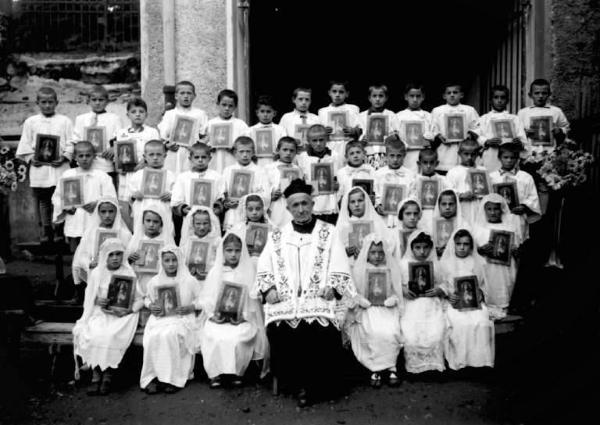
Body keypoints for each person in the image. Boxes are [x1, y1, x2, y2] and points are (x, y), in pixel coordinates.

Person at [255, 178, 356, 407]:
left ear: (312, 204)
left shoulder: (328, 232)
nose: (300, 209)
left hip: (318, 299)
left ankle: (318, 387)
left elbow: (340, 263)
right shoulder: (278, 235)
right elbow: (264, 265)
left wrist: (333, 285)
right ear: (288, 209)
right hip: (286, 301)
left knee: (318, 331)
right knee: (284, 331)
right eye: (295, 206)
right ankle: (296, 384)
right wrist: (269, 289)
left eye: (304, 204)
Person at [73, 238, 143, 395]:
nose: (116, 258)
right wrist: (98, 300)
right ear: (105, 256)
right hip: (101, 312)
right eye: (112, 255)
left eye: (119, 254)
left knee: (111, 335)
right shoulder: (97, 273)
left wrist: (130, 310)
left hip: (122, 316)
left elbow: (140, 299)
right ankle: (96, 374)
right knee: (95, 334)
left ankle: (107, 376)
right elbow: (89, 298)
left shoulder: (127, 272)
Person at [199, 231, 267, 388]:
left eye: (237, 250)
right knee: (214, 336)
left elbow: (252, 301)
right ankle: (215, 373)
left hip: (241, 318)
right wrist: (213, 315)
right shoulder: (216, 272)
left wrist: (243, 316)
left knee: (236, 337)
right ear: (222, 252)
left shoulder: (248, 272)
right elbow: (207, 298)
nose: (233, 254)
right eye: (229, 250)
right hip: (219, 317)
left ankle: (237, 372)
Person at [141, 245, 202, 394]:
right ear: (161, 262)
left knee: (170, 335)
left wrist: (191, 307)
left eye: (174, 260)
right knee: (153, 337)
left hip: (182, 317)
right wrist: (151, 305)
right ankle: (154, 376)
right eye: (167, 260)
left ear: (179, 261)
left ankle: (173, 378)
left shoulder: (189, 280)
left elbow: (203, 299)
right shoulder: (155, 281)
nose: (171, 264)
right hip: (161, 317)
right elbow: (146, 298)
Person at [345, 235, 403, 388]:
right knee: (372, 332)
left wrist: (393, 299)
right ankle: (375, 369)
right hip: (367, 309)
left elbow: (396, 291)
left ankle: (392, 366)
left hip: (386, 309)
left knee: (390, 331)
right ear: (366, 253)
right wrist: (360, 300)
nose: (377, 256)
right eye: (373, 253)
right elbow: (352, 292)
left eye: (380, 253)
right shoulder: (359, 270)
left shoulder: (390, 269)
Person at [16, 86, 73, 242]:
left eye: (50, 102)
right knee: (44, 201)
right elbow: (25, 144)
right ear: (38, 103)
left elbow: (71, 143)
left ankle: (59, 230)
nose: (47, 105)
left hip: (59, 167)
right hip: (39, 168)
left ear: (57, 102)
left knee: (60, 199)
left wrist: (65, 157)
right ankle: (46, 230)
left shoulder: (65, 121)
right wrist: (30, 158)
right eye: (44, 102)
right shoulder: (31, 122)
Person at [440, 228, 495, 370]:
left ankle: (479, 362)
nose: (462, 247)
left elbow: (484, 285)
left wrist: (481, 294)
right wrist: (448, 295)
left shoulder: (479, 262)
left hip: (473, 302)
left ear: (471, 246)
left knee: (481, 321)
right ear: (453, 245)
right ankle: (461, 362)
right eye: (459, 244)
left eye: (466, 244)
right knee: (459, 323)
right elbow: (442, 284)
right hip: (455, 303)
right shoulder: (445, 263)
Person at [52, 141, 116, 252]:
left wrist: (98, 203)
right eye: (81, 156)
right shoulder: (68, 175)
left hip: (95, 220)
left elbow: (111, 197)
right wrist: (64, 207)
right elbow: (57, 197)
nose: (84, 159)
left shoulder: (101, 176)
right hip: (75, 220)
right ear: (75, 157)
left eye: (88, 155)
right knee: (77, 253)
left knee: (95, 251)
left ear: (94, 156)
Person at [399, 231, 448, 374]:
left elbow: (445, 283)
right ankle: (415, 366)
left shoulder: (436, 265)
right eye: (418, 247)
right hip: (411, 304)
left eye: (426, 247)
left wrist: (439, 290)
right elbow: (394, 284)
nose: (422, 251)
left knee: (435, 332)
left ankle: (432, 366)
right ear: (411, 248)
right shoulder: (403, 265)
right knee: (411, 334)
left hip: (431, 303)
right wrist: (403, 290)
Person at [473, 194, 522, 320]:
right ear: (484, 210)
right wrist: (480, 249)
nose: (493, 212)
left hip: (505, 269)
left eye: (496, 209)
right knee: (488, 287)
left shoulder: (510, 227)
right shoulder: (478, 229)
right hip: (487, 268)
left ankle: (506, 308)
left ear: (502, 210)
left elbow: (518, 251)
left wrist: (515, 250)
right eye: (489, 209)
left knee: (505, 287)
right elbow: (472, 251)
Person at [114, 97, 160, 229]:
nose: (138, 114)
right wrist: (120, 165)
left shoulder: (152, 132)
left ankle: (143, 232)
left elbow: (156, 149)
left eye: (141, 111)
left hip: (144, 173)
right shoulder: (122, 133)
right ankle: (129, 233)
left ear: (146, 114)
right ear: (127, 114)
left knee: (141, 204)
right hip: (126, 175)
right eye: (134, 111)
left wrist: (144, 163)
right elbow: (119, 154)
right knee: (125, 205)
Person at [72, 197, 132, 290]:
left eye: (111, 211)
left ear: (116, 212)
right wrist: (89, 263)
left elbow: (129, 253)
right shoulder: (91, 232)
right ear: (98, 212)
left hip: (118, 275)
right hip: (97, 274)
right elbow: (82, 254)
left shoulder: (124, 234)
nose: (107, 215)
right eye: (103, 212)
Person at [489, 144, 541, 240]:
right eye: (506, 157)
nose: (509, 160)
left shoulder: (525, 177)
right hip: (498, 218)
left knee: (517, 244)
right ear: (499, 158)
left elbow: (533, 198)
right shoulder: (492, 177)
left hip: (517, 218)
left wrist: (524, 207)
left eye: (512, 158)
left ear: (517, 159)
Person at [72, 85, 123, 176]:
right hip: (85, 163)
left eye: (101, 100)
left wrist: (114, 148)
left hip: (105, 164)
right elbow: (76, 140)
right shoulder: (81, 119)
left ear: (107, 101)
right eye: (94, 100)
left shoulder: (114, 118)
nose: (97, 103)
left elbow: (120, 138)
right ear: (88, 101)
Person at [430, 83, 480, 173]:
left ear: (461, 95)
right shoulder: (437, 111)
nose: (452, 95)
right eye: (449, 93)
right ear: (444, 96)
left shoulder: (469, 110)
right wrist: (438, 135)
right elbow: (432, 128)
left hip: (464, 148)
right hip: (446, 149)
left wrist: (471, 134)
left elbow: (477, 127)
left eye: (455, 92)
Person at [296, 124, 341, 224]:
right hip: (313, 201)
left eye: (321, 140)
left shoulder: (335, 155)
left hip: (330, 201)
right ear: (308, 141)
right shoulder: (303, 157)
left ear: (327, 139)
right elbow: (301, 179)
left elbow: (340, 175)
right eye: (314, 141)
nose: (318, 143)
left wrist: (338, 184)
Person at [336, 186, 390, 270]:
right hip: (349, 268)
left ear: (366, 202)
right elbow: (335, 250)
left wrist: (373, 251)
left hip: (373, 268)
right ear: (348, 205)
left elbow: (389, 244)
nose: (356, 205)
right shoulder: (343, 226)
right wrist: (345, 251)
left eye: (360, 201)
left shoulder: (376, 223)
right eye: (352, 202)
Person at [171, 142, 225, 222]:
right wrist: (183, 209)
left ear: (209, 158)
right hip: (190, 218)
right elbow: (176, 200)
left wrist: (218, 208)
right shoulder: (183, 177)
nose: (200, 160)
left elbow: (221, 197)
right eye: (196, 157)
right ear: (190, 159)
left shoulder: (217, 177)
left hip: (211, 218)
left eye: (203, 157)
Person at [477, 85, 528, 171]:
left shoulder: (514, 119)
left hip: (510, 157)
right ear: (490, 100)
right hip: (491, 155)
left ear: (507, 100)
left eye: (502, 98)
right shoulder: (483, 118)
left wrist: (519, 142)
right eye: (496, 97)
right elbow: (478, 137)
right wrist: (487, 141)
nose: (499, 101)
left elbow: (522, 139)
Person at [222, 137, 268, 230]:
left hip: (252, 214)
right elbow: (222, 191)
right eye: (241, 151)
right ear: (235, 153)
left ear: (253, 152)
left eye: (248, 151)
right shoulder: (228, 170)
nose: (245, 155)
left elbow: (265, 194)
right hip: (233, 213)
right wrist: (226, 202)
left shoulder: (259, 171)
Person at [128, 140, 176, 230]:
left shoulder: (170, 175)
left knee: (164, 233)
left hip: (163, 209)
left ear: (164, 156)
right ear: (144, 157)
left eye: (158, 154)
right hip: (142, 209)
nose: (155, 158)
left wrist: (171, 195)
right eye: (151, 155)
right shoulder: (137, 175)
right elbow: (130, 195)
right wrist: (134, 195)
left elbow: (177, 195)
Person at [374, 135, 416, 228]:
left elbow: (413, 194)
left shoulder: (410, 175)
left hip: (402, 218)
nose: (395, 159)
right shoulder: (378, 174)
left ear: (404, 156)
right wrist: (378, 206)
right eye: (392, 156)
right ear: (386, 156)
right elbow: (375, 192)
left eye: (399, 156)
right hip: (383, 219)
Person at [517, 78, 570, 153]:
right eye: (537, 93)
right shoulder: (523, 113)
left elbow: (566, 128)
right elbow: (516, 133)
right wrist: (524, 133)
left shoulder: (556, 111)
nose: (540, 96)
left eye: (544, 93)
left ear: (549, 94)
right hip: (529, 153)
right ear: (530, 95)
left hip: (550, 152)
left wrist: (560, 131)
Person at [204, 89, 249, 173]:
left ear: (235, 107)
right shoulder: (210, 124)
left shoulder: (240, 125)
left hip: (232, 161)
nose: (227, 108)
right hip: (215, 162)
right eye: (224, 105)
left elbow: (246, 145)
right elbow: (203, 145)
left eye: (230, 106)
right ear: (217, 104)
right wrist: (209, 148)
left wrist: (234, 148)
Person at [446, 139, 488, 226]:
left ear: (477, 155)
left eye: (473, 154)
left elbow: (488, 191)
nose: (469, 157)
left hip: (478, 206)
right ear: (459, 154)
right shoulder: (453, 172)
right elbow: (448, 191)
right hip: (462, 206)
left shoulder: (483, 171)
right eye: (466, 154)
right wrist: (461, 195)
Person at [264, 136, 304, 227]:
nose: (288, 153)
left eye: (291, 150)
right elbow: (263, 187)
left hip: (292, 205)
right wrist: (271, 194)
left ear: (296, 152)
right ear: (278, 150)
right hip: (276, 204)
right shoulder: (269, 168)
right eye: (285, 150)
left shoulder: (298, 169)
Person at [318, 80, 362, 161]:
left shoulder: (353, 109)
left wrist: (353, 131)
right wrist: (323, 131)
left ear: (347, 94)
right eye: (334, 91)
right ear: (329, 93)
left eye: (341, 92)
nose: (337, 95)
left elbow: (360, 130)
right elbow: (317, 133)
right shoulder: (322, 111)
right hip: (330, 146)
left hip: (348, 145)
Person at [358, 84, 400, 169]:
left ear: (386, 98)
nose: (377, 99)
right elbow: (358, 135)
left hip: (384, 152)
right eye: (374, 96)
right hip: (368, 152)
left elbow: (397, 134)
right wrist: (362, 141)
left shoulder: (391, 115)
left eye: (381, 96)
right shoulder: (362, 116)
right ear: (369, 98)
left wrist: (393, 137)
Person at [395, 83, 435, 172]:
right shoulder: (398, 116)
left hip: (423, 155)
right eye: (412, 96)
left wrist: (429, 138)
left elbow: (434, 134)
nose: (415, 99)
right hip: (406, 155)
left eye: (418, 96)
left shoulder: (428, 116)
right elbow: (395, 136)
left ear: (423, 97)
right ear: (406, 97)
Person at [180, 206, 221, 281]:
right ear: (192, 224)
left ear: (210, 223)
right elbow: (182, 261)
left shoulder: (216, 241)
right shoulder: (187, 241)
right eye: (198, 223)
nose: (202, 227)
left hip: (210, 279)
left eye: (205, 223)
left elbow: (220, 262)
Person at [245, 95, 287, 167]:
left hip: (274, 163)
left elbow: (284, 146)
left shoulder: (280, 130)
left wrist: (279, 154)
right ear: (257, 113)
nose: (265, 115)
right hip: (257, 164)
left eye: (268, 112)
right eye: (262, 111)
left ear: (274, 113)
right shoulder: (250, 131)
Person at [230, 193, 273, 264]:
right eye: (250, 209)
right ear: (245, 210)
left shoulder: (271, 228)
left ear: (263, 209)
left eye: (258, 209)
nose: (254, 212)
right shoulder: (238, 229)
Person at [431, 189, 464, 258]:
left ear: (456, 205)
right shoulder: (430, 225)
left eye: (451, 204)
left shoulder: (463, 224)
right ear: (438, 205)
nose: (447, 207)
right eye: (444, 204)